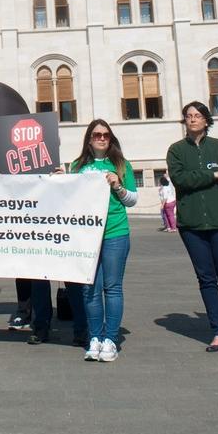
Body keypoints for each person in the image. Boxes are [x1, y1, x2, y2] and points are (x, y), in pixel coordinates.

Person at [168, 100, 218, 352]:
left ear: (207, 120)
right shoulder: (176, 150)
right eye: (188, 116)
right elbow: (181, 180)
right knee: (206, 278)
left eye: (197, 115)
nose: (192, 119)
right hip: (192, 224)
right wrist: (214, 175)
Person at [68, 119, 138, 361]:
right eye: (97, 134)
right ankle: (94, 337)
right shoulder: (77, 166)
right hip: (87, 236)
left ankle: (111, 339)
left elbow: (132, 200)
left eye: (106, 135)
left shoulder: (121, 164)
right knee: (89, 289)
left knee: (112, 287)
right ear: (89, 138)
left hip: (115, 232)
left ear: (111, 139)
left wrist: (118, 186)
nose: (101, 138)